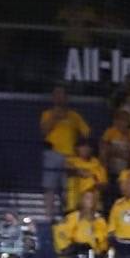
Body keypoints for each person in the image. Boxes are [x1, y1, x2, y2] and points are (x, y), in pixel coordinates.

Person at [41, 84, 91, 216]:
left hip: (70, 156)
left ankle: (67, 216)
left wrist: (79, 146)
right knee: (50, 187)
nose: (59, 97)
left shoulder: (74, 116)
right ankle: (49, 216)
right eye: (56, 94)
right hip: (52, 154)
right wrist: (55, 117)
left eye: (62, 94)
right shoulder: (47, 114)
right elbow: (44, 131)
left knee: (67, 189)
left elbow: (86, 133)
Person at [53, 188, 109, 258]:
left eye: (93, 198)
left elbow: (103, 244)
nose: (91, 201)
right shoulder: (71, 218)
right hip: (75, 257)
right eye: (88, 198)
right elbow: (62, 237)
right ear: (81, 201)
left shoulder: (100, 221)